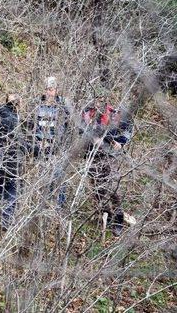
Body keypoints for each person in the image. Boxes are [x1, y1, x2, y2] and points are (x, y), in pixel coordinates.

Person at [80, 90, 133, 236]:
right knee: (98, 189)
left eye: (101, 99)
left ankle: (118, 220)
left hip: (109, 155)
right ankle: (105, 216)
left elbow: (128, 128)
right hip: (92, 154)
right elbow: (83, 130)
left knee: (114, 187)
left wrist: (121, 142)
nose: (98, 102)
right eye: (96, 99)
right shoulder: (86, 112)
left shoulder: (114, 113)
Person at [0, 94, 29, 229]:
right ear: (18, 103)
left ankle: (2, 216)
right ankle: (6, 220)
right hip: (12, 160)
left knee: (2, 187)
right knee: (12, 190)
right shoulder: (14, 119)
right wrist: (37, 149)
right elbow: (20, 142)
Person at [30, 76, 71, 207]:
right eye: (47, 89)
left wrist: (59, 144)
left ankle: (59, 206)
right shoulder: (37, 104)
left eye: (52, 89)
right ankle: (44, 206)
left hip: (57, 147)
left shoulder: (63, 104)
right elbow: (31, 125)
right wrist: (36, 141)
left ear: (56, 90)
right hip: (40, 147)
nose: (49, 92)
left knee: (59, 176)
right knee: (43, 177)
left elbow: (70, 127)